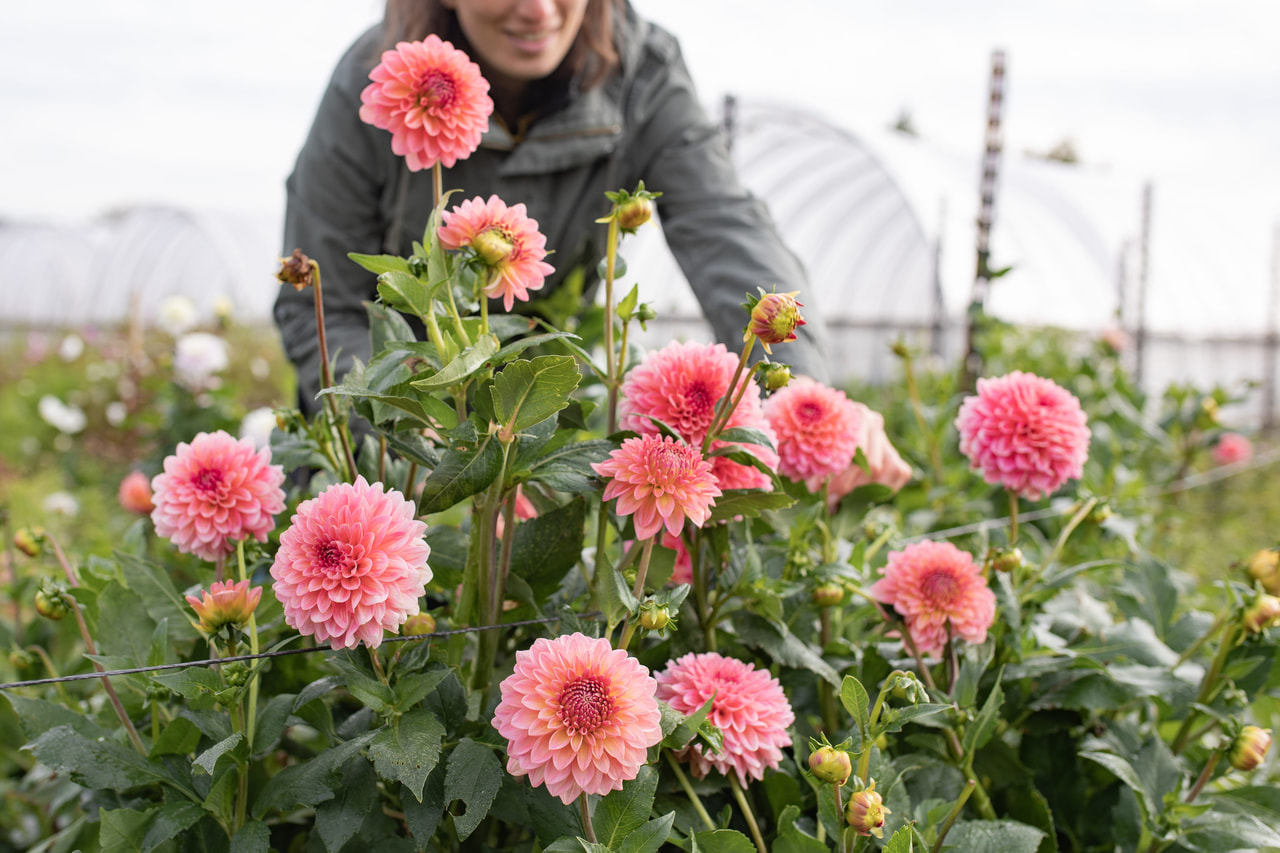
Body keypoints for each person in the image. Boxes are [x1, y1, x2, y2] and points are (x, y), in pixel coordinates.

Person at [274, 0, 831, 415]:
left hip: (543, 408)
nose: (539, 12)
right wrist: (419, 430)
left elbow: (725, 228)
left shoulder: (644, 72)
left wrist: (802, 400)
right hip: (397, 431)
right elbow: (322, 310)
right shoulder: (373, 84)